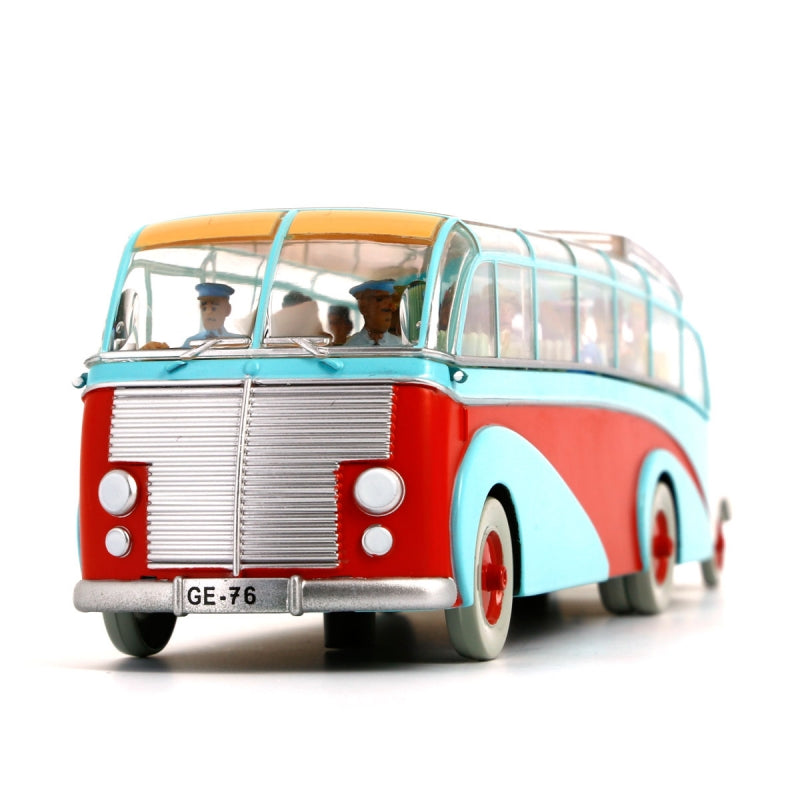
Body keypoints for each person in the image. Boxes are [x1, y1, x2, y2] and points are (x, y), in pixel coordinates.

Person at [140, 282, 238, 350]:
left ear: (227, 310)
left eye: (214, 308)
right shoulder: (191, 342)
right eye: (204, 308)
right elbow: (181, 360)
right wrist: (157, 350)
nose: (208, 312)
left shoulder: (239, 343)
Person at [344, 280, 403, 346]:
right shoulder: (351, 345)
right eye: (380, 299)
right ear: (364, 308)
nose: (391, 308)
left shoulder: (399, 344)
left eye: (390, 300)